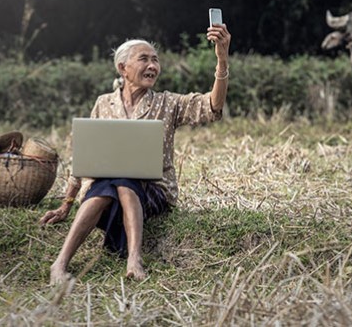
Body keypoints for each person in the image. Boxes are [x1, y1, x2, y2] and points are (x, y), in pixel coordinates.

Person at [40, 23, 231, 284]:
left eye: (155, 60)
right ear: (123, 68)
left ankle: (134, 259)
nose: (152, 65)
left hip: (153, 191)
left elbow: (212, 106)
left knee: (124, 180)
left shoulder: (168, 103)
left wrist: (221, 60)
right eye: (144, 59)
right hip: (105, 192)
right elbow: (86, 157)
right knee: (109, 184)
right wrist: (66, 204)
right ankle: (60, 265)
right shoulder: (103, 103)